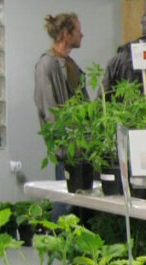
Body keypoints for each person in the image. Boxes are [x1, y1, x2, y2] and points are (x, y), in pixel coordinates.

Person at [35, 13, 87, 221]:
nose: (82, 35)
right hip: (67, 147)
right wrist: (61, 147)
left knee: (78, 201)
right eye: (78, 30)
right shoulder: (46, 65)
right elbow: (48, 109)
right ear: (67, 33)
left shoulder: (69, 63)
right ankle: (58, 247)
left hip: (82, 146)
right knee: (65, 202)